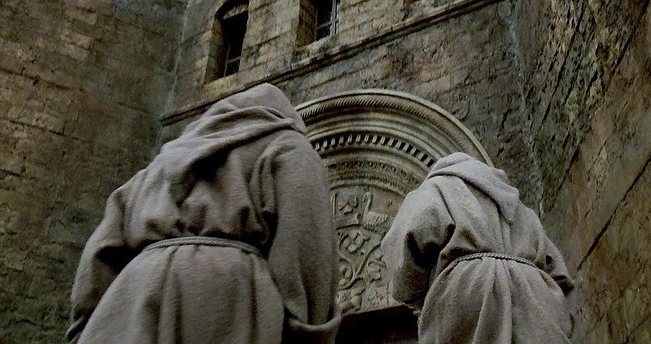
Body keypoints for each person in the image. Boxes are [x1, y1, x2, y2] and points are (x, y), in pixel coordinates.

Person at [67, 83, 339, 344]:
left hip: (131, 300)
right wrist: (309, 331)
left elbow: (100, 252)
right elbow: (305, 242)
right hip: (226, 301)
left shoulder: (160, 164)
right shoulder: (289, 146)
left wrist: (91, 326)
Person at [381, 152, 574, 344]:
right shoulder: (521, 208)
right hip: (535, 299)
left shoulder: (433, 189)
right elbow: (559, 274)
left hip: (467, 291)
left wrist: (424, 296)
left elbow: (403, 266)